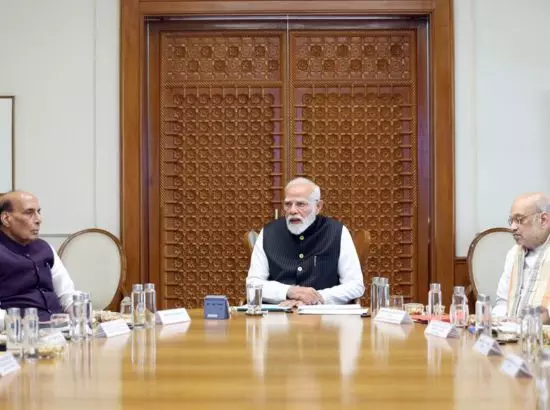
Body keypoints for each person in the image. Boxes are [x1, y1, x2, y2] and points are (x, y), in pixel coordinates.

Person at [246, 177, 365, 305]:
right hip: (279, 312)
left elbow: (355, 285)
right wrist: (289, 291)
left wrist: (316, 298)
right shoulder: (269, 232)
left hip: (323, 314)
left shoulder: (337, 232)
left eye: (300, 204)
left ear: (318, 206)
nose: (292, 210)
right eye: (288, 204)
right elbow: (252, 285)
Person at [0, 191, 75, 326]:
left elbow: (66, 293)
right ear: (6, 219)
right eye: (29, 213)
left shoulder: (45, 247)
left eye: (38, 212)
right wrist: (18, 323)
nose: (38, 219)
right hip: (19, 332)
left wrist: (78, 317)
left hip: (60, 329)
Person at [493, 192, 550, 318]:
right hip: (511, 328)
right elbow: (502, 302)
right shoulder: (514, 253)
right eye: (511, 221)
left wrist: (547, 317)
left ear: (543, 220)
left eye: (519, 220)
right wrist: (499, 322)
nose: (512, 227)